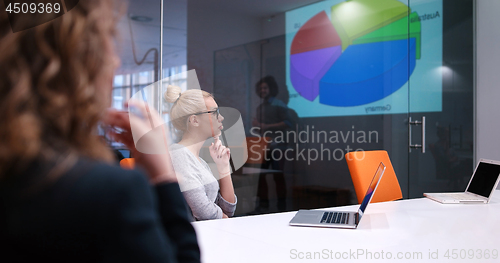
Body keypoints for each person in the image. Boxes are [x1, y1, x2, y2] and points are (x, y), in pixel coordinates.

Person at [0, 1, 200, 262]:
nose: (116, 61)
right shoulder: (109, 192)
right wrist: (163, 175)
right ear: (78, 60)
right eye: (108, 39)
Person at [164, 85, 237, 220]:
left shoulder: (198, 160)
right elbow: (205, 213)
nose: (221, 118)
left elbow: (228, 210)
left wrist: (224, 168)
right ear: (194, 120)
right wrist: (226, 221)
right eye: (214, 112)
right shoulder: (179, 155)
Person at [252, 76, 296, 212]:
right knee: (261, 175)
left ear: (271, 89)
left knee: (278, 176)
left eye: (265, 88)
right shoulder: (260, 107)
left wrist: (265, 126)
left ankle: (281, 207)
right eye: (260, 89)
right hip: (264, 145)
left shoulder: (280, 105)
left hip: (279, 145)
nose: (262, 90)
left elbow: (288, 123)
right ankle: (263, 205)